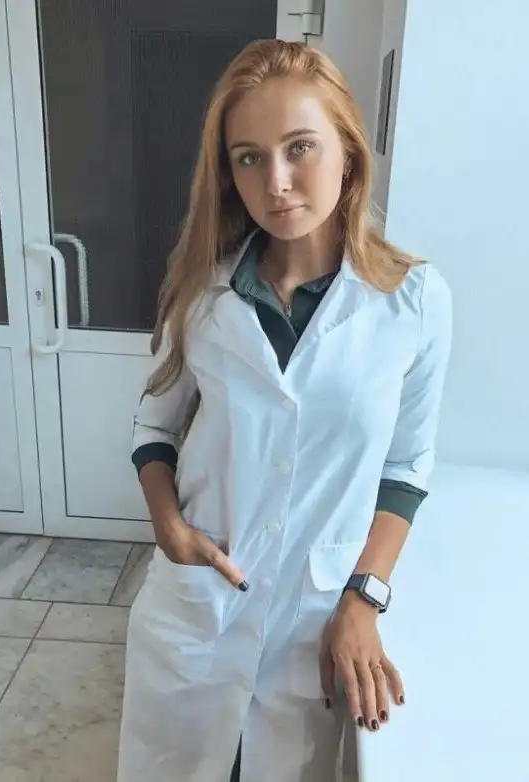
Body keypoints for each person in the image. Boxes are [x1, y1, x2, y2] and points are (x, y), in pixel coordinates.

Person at [117, 38, 452, 782]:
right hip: (200, 610)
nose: (276, 181)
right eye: (248, 157)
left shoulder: (413, 302)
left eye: (300, 147)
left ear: (348, 152)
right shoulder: (202, 291)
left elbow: (407, 466)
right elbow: (154, 426)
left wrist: (364, 597)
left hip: (314, 615)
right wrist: (169, 528)